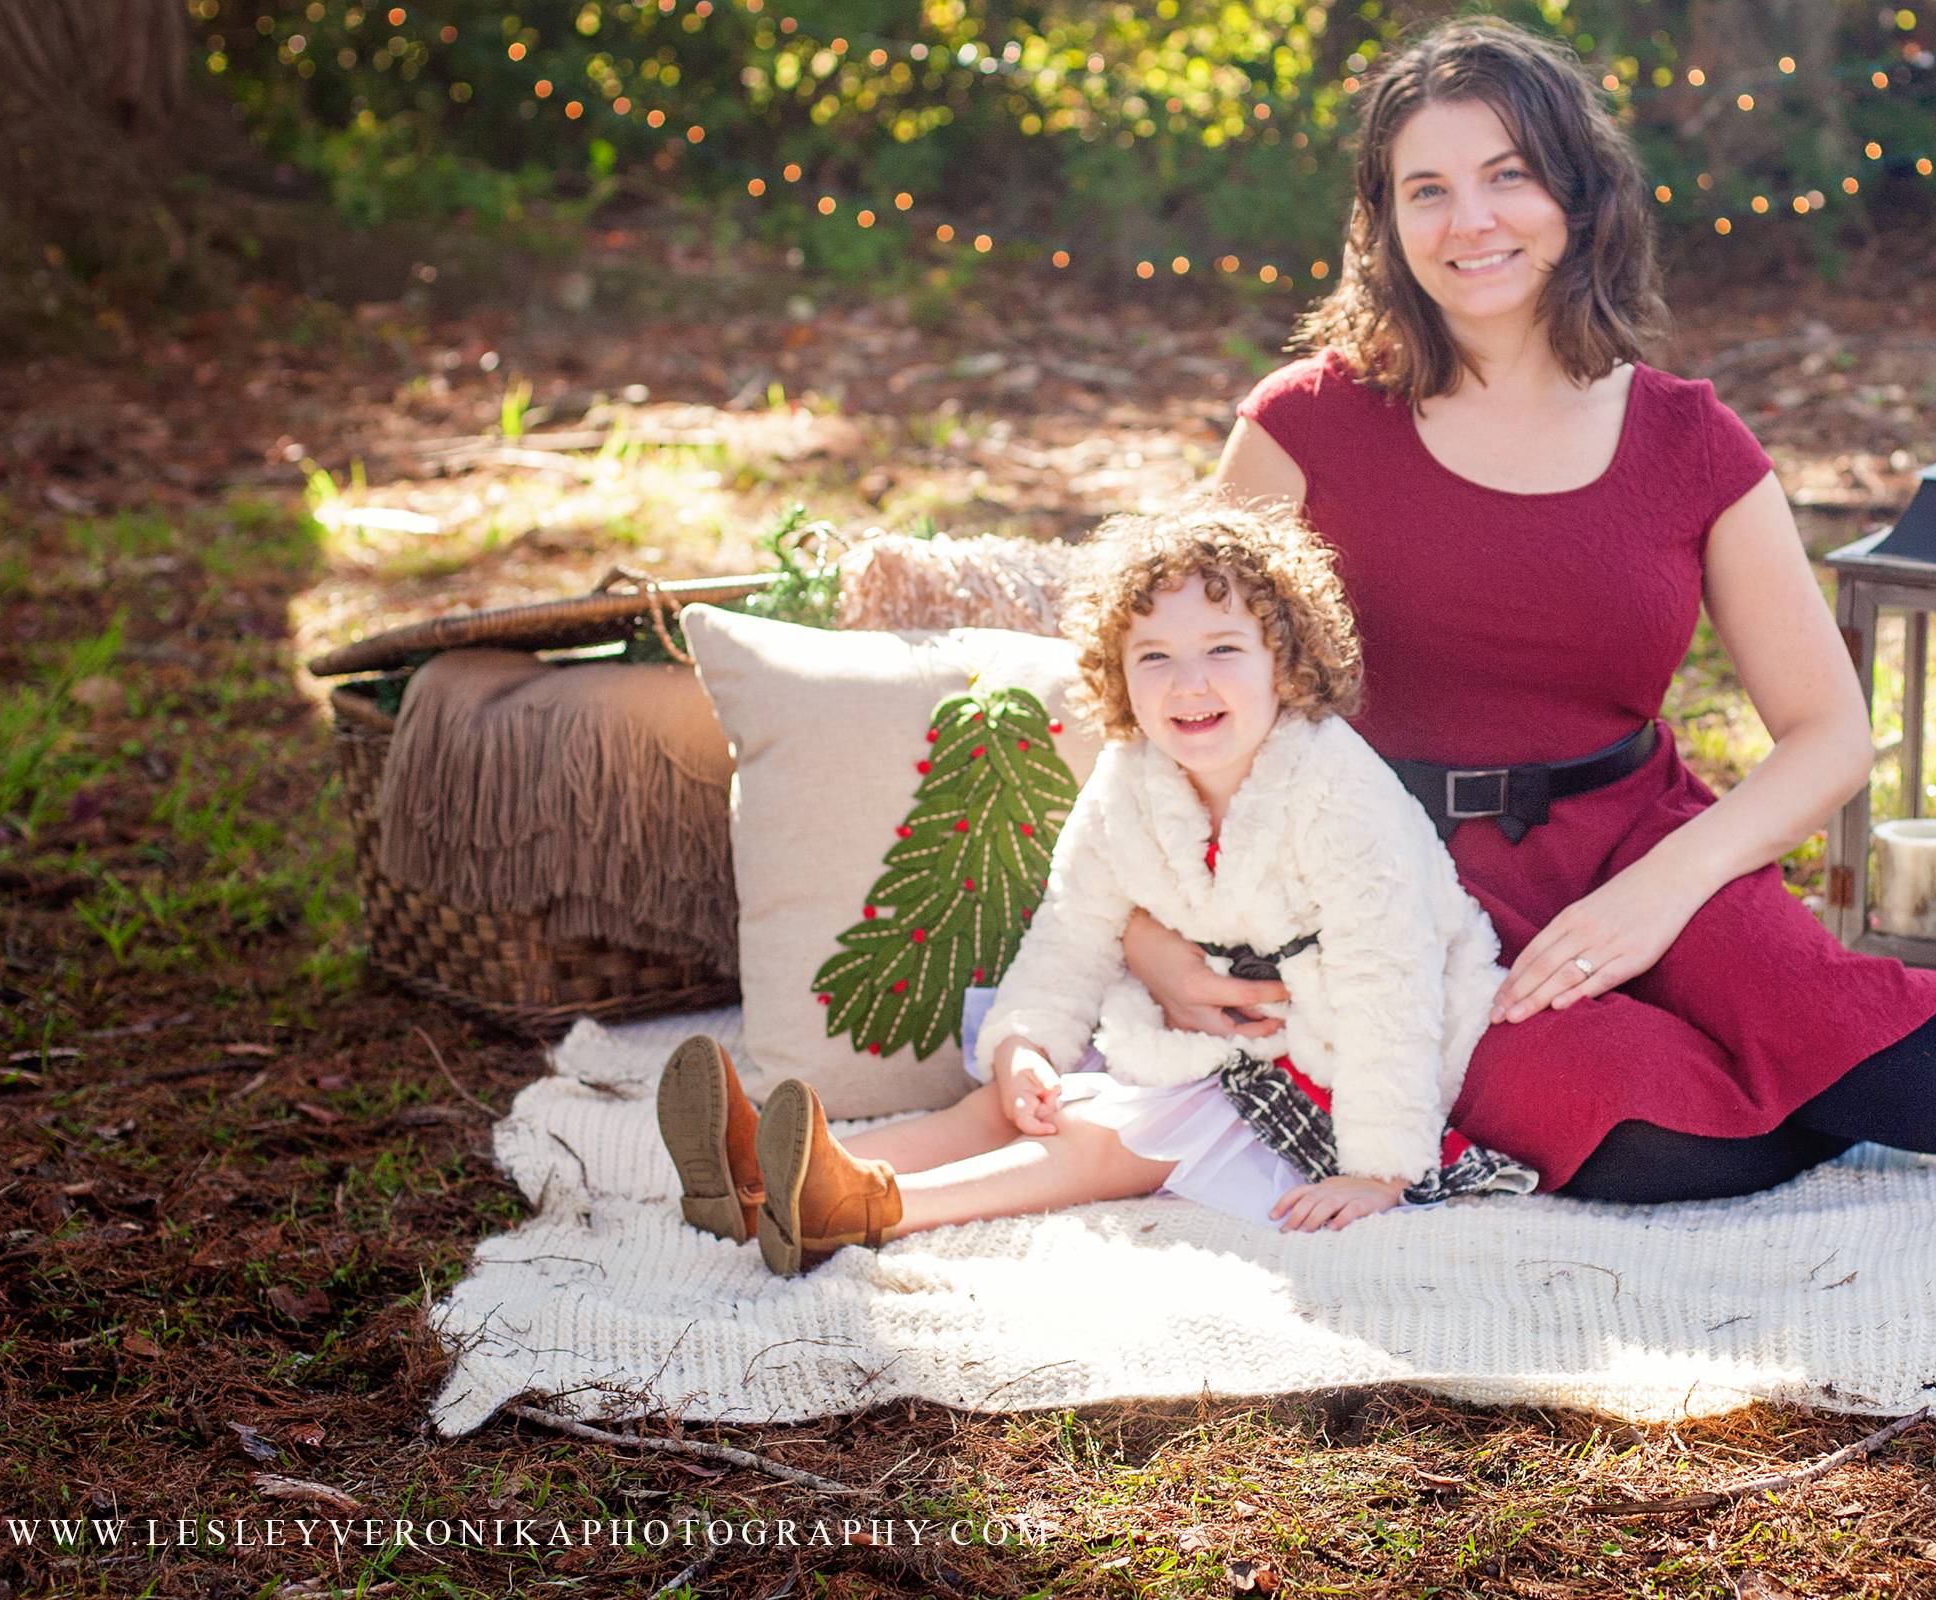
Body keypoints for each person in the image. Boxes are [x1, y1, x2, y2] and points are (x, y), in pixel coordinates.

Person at [1113, 14, 1936, 1204]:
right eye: (1429, 189)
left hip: (1648, 844)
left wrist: (1660, 893)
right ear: (1384, 223)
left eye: (1509, 174)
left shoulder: (1689, 440)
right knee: (1648, 1140)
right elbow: (1141, 691)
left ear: (1577, 195)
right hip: (1392, 880)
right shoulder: (1306, 427)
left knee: (1848, 1036)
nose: (1474, 221)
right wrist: (1158, 942)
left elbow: (1826, 731)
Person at [655, 502, 1532, 1276]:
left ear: (1288, 665)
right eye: (1154, 657)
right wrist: (1024, 1044)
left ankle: (869, 1210)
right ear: (1119, 676)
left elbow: (1392, 981)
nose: (1189, 684)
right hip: (1210, 1035)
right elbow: (1074, 926)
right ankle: (764, 1182)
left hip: (1347, 1061)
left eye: (1223, 649)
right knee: (1007, 1105)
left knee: (1113, 1134)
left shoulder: (1343, 794)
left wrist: (1380, 1165)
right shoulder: (1130, 781)